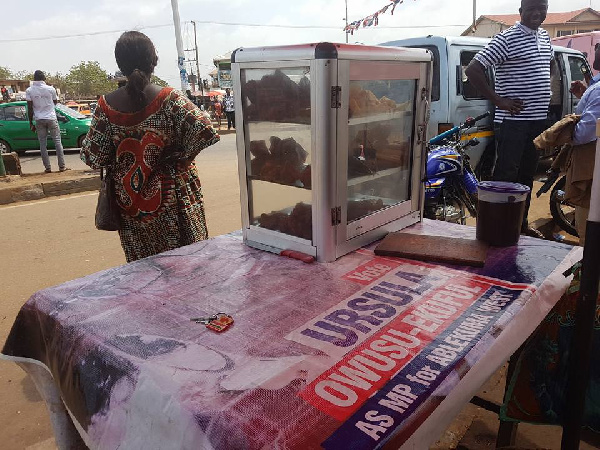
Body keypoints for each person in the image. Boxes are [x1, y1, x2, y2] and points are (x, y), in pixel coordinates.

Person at [80, 31, 220, 263]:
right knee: (190, 268)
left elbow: (92, 156)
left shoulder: (105, 106)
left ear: (120, 64)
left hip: (131, 207)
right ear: (153, 61)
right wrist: (182, 158)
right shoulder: (169, 98)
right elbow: (206, 130)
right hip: (176, 198)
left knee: (144, 273)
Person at [465, 0, 552, 238]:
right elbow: (473, 69)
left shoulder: (544, 37)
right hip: (512, 123)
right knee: (506, 177)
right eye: (531, 8)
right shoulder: (507, 38)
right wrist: (498, 100)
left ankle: (520, 225)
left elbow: (546, 67)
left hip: (536, 121)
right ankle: (498, 230)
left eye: (541, 7)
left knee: (526, 176)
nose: (537, 12)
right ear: (521, 11)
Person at [26, 70, 68, 173]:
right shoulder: (51, 89)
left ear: (34, 78)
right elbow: (55, 102)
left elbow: (30, 108)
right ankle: (62, 167)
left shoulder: (29, 90)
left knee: (42, 144)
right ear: (44, 78)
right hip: (51, 118)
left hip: (39, 119)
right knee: (57, 142)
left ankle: (47, 168)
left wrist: (31, 122)